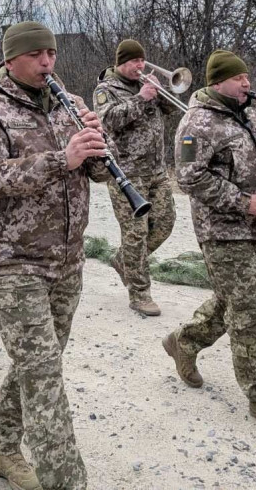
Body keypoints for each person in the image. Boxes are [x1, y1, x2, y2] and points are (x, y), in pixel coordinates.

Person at [0, 21, 109, 490]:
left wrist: (96, 146)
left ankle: (2, 448)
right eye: (37, 55)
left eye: (52, 53)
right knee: (43, 372)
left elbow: (96, 174)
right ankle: (66, 482)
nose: (48, 62)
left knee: (36, 363)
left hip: (67, 257)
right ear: (11, 60)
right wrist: (60, 159)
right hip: (16, 261)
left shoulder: (67, 101)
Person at [164, 50, 256, 434]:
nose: (247, 82)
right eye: (238, 77)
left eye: (247, 76)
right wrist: (245, 202)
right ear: (216, 83)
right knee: (245, 310)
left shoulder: (253, 112)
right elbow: (190, 178)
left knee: (233, 299)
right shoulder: (197, 123)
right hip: (221, 230)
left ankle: (184, 341)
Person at [93, 39, 179, 316]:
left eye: (142, 61)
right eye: (134, 62)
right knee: (136, 234)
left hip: (157, 171)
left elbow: (172, 110)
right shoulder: (106, 89)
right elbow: (109, 121)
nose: (140, 66)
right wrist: (140, 98)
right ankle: (140, 293)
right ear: (121, 63)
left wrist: (161, 91)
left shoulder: (149, 85)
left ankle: (124, 261)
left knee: (165, 223)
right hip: (126, 174)